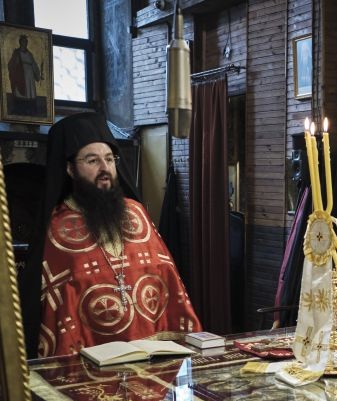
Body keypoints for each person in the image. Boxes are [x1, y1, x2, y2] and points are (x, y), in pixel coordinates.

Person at [21, 112, 200, 358]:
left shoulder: (136, 214)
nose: (105, 168)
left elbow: (167, 277)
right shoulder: (57, 228)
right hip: (88, 361)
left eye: (109, 158)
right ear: (70, 169)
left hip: (153, 353)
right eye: (92, 160)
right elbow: (55, 303)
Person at [7, 35, 42, 116]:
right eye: (23, 42)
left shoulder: (30, 54)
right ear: (20, 43)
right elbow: (11, 64)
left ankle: (31, 111)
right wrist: (16, 62)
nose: (25, 43)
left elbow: (34, 64)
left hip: (30, 76)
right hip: (21, 75)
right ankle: (19, 110)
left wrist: (37, 74)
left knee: (30, 93)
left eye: (26, 42)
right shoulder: (17, 52)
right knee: (20, 92)